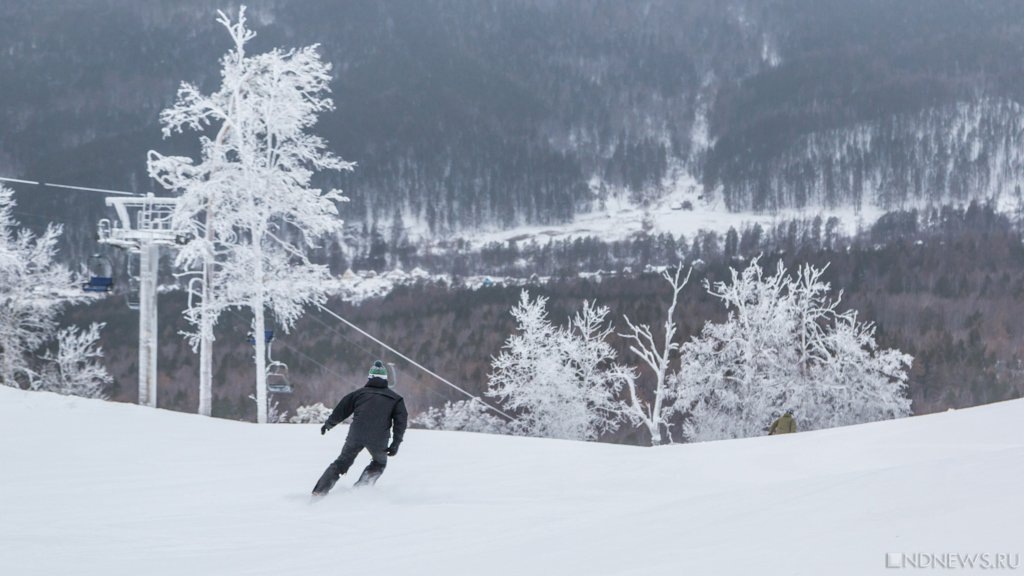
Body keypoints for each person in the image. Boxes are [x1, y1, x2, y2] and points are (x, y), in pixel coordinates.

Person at [312, 360, 408, 495]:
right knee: (379, 463)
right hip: (379, 438)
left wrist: (329, 424)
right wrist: (396, 443)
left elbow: (342, 409)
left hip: (356, 434)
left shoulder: (358, 394)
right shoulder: (396, 399)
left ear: (369, 378)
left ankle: (319, 492)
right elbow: (400, 423)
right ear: (386, 379)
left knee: (341, 463)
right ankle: (359, 492)